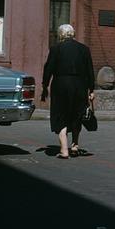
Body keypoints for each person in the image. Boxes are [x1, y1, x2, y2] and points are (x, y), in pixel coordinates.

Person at [41, 24, 95, 159]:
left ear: (60, 35)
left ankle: (64, 150)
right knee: (77, 114)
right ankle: (75, 146)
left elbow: (48, 69)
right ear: (73, 34)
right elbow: (90, 71)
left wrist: (45, 86)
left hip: (60, 85)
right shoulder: (84, 49)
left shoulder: (56, 49)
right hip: (80, 85)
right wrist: (91, 89)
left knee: (61, 116)